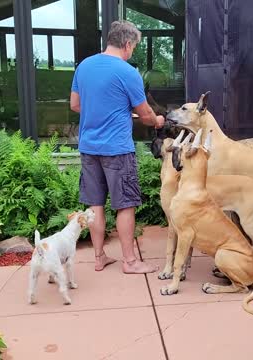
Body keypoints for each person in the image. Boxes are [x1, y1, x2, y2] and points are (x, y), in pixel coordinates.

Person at [70, 20, 165, 274]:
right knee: (125, 205)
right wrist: (157, 120)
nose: (132, 51)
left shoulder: (84, 66)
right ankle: (130, 262)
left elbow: (75, 105)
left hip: (89, 148)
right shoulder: (127, 72)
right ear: (127, 43)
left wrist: (106, 110)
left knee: (95, 204)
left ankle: (99, 257)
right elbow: (144, 114)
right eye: (133, 46)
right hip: (117, 149)